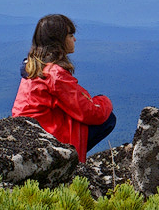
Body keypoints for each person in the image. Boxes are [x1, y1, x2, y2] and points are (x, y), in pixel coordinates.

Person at [12, 14, 115, 162]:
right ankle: (70, 162)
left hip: (30, 131)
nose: (74, 39)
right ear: (58, 40)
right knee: (108, 119)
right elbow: (90, 112)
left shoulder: (33, 67)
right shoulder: (54, 75)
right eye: (70, 35)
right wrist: (105, 101)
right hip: (48, 136)